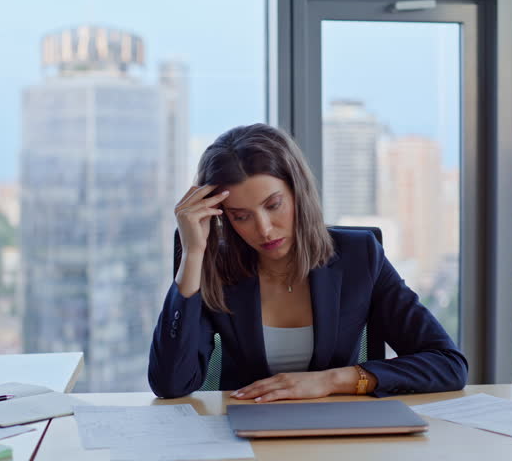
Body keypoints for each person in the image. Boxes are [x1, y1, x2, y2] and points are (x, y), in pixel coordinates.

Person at [148, 123, 467, 401]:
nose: (263, 229)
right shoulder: (217, 266)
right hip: (248, 435)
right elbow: (170, 384)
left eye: (273, 205)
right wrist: (192, 256)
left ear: (297, 191)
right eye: (241, 216)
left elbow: (447, 364)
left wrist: (332, 380)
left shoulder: (359, 257)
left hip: (339, 434)